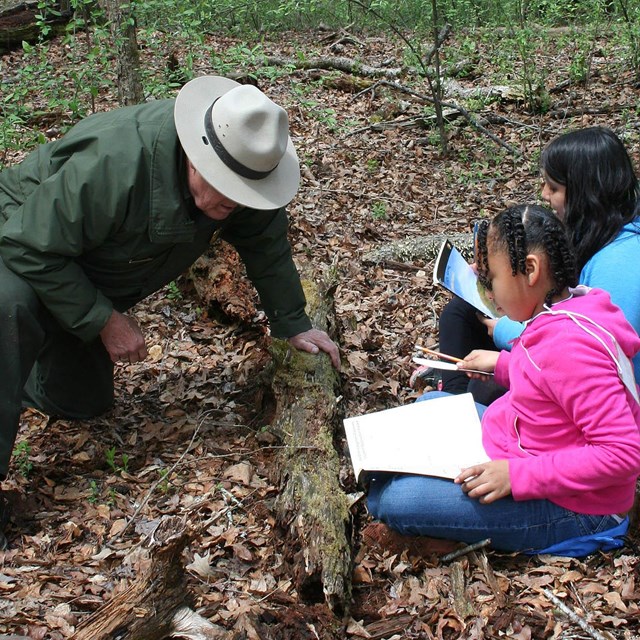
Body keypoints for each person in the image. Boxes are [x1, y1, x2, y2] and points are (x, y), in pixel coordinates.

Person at [0, 76, 340, 547]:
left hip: (81, 259)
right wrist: (103, 319)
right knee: (11, 310)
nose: (227, 205)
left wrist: (293, 322)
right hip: (19, 233)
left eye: (240, 195)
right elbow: (28, 243)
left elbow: (267, 247)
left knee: (80, 402)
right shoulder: (116, 165)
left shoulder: (249, 164)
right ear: (195, 152)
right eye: (221, 187)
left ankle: (26, 365)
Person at [367, 204, 640, 556]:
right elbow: (554, 382)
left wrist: (516, 476)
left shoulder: (569, 344)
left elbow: (622, 453)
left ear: (529, 270)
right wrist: (503, 365)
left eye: (492, 278)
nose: (490, 293)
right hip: (519, 442)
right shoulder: (566, 309)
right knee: (430, 404)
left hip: (576, 508)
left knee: (392, 500)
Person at [437, 126, 640, 404]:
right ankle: (450, 394)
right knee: (459, 312)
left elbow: (592, 354)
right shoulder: (595, 231)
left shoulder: (621, 264)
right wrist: (494, 275)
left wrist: (505, 329)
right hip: (549, 344)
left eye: (554, 187)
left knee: (481, 390)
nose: (544, 194)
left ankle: (453, 405)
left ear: (588, 192)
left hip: (575, 386)